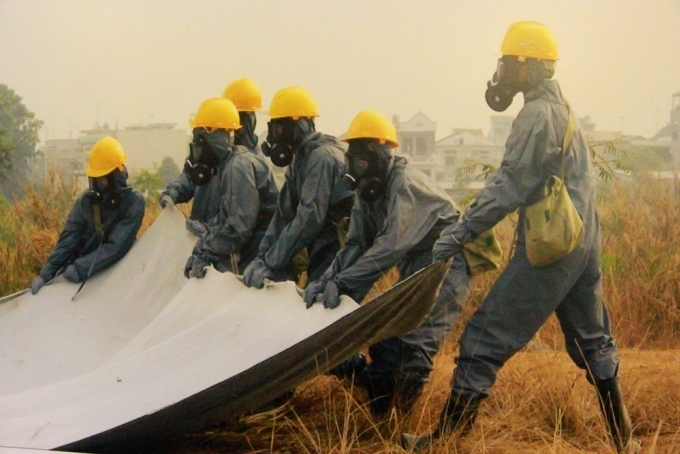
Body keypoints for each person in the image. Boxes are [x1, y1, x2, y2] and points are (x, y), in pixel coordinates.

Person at [401, 21, 637, 453]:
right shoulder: (563, 111)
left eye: (509, 63)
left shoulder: (535, 115)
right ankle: (627, 443)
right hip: (583, 243)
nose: (503, 71)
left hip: (553, 248)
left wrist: (459, 232)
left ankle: (445, 444)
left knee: (481, 338)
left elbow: (509, 186)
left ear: (529, 68)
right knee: (593, 339)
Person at [303, 110, 471, 417]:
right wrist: (326, 279)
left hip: (446, 264)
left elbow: (390, 246)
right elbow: (355, 244)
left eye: (359, 158)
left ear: (378, 151)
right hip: (417, 266)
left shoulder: (403, 184)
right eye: (350, 158)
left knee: (413, 347)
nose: (353, 166)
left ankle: (398, 427)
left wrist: (343, 284)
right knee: (384, 345)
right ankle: (381, 414)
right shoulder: (368, 192)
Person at [242, 86, 354, 288]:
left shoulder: (322, 157)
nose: (274, 136)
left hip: (342, 248)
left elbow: (310, 216)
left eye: (278, 128)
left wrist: (271, 262)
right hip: (322, 245)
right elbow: (284, 215)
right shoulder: (301, 160)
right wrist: (261, 258)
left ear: (297, 125)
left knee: (321, 303)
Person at [29, 136, 145, 294]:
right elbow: (68, 240)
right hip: (81, 274)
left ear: (117, 176)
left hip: (115, 276)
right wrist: (45, 274)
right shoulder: (86, 202)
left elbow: (115, 247)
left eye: (103, 179)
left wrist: (78, 269)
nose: (99, 185)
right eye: (96, 179)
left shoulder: (134, 202)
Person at [179, 98, 279, 278]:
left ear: (214, 135)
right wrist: (203, 244)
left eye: (201, 137)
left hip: (264, 261)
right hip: (258, 255)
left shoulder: (237, 167)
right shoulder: (228, 165)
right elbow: (226, 216)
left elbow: (237, 227)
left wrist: (206, 252)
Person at [158, 77, 264, 220]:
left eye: (241, 116)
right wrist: (173, 192)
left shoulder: (254, 162)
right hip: (201, 235)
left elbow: (240, 220)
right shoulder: (207, 153)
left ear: (251, 118)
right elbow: (190, 176)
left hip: (226, 238)